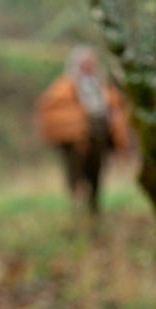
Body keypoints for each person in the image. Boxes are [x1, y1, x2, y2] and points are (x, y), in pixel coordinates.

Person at [35, 45, 130, 214]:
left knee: (96, 174)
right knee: (75, 175)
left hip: (98, 138)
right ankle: (75, 208)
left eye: (92, 63)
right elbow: (54, 110)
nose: (90, 66)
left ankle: (93, 208)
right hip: (75, 141)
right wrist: (78, 120)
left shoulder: (101, 85)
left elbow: (115, 107)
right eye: (86, 63)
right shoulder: (64, 86)